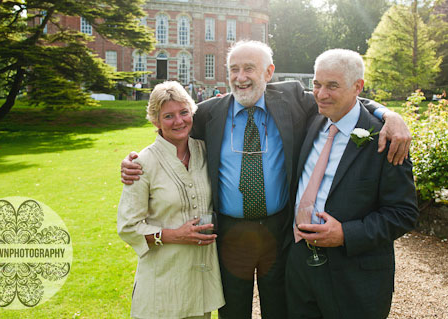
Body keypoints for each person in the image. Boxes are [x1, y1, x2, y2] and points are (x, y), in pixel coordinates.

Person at [121, 40, 412, 319]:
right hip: (229, 234)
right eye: (234, 69)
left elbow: (345, 98)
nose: (241, 77)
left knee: (281, 310)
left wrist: (389, 115)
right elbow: (172, 127)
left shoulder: (294, 101)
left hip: (280, 231)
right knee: (233, 312)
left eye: (249, 68)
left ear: (269, 72)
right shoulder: (209, 113)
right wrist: (135, 162)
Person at [289, 49, 418, 319]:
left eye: (332, 86)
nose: (321, 94)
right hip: (301, 272)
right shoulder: (310, 120)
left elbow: (403, 214)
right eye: (317, 84)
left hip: (355, 280)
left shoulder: (386, 140)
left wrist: (346, 234)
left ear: (357, 86)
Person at [117, 81, 224, 319]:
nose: (178, 121)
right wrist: (175, 235)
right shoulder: (141, 164)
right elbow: (127, 227)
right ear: (155, 121)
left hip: (200, 283)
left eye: (184, 112)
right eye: (168, 116)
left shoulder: (206, 151)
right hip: (161, 285)